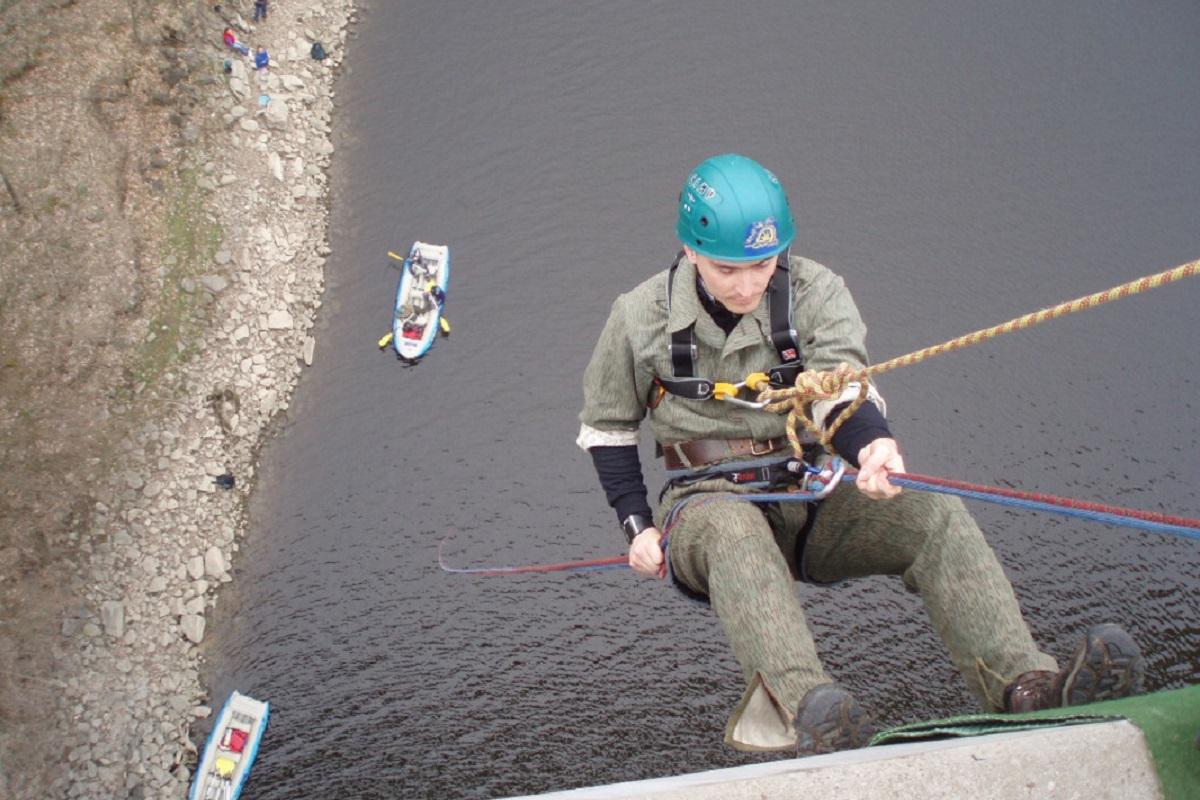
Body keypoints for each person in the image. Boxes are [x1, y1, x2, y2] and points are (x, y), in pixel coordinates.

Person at [577, 153, 1146, 755]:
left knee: (931, 514)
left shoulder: (815, 292)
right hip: (705, 504)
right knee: (734, 533)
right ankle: (810, 715)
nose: (747, 285)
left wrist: (872, 446)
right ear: (691, 251)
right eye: (726, 269)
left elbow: (840, 389)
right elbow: (607, 427)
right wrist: (637, 524)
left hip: (810, 487)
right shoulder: (639, 317)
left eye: (762, 265)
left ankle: (1026, 687)